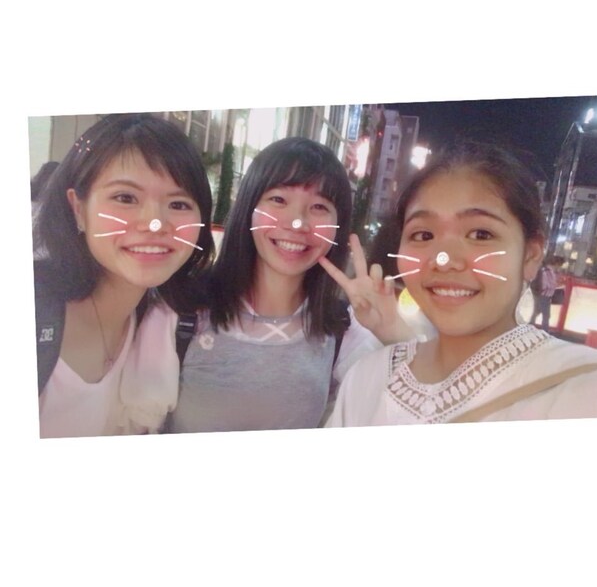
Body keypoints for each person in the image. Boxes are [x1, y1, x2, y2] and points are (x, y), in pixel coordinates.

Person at [327, 140, 597, 426]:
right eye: (424, 235)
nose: (444, 260)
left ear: (531, 255)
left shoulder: (589, 389)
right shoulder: (366, 379)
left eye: (480, 235)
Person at [167, 137, 414, 433]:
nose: (297, 223)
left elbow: (423, 404)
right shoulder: (182, 310)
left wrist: (393, 331)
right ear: (249, 208)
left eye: (319, 206)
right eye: (279, 200)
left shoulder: (342, 330)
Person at [34, 113, 213, 438]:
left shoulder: (170, 325)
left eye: (178, 204)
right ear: (78, 209)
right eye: (125, 198)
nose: (155, 223)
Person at [529, 255, 564, 331]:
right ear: (556, 264)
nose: (560, 267)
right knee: (546, 315)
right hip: (544, 295)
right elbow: (546, 284)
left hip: (542, 294)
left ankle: (530, 326)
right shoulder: (547, 271)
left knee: (537, 311)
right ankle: (545, 330)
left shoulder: (547, 270)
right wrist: (555, 286)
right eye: (560, 265)